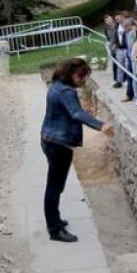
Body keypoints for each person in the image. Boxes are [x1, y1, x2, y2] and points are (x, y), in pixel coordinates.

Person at [40, 58, 115, 243]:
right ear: (70, 73)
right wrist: (101, 125)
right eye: (80, 76)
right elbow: (76, 113)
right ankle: (54, 229)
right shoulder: (66, 91)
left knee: (55, 186)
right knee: (54, 188)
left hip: (51, 139)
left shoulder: (57, 86)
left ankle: (55, 220)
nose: (83, 80)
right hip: (58, 143)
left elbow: (70, 111)